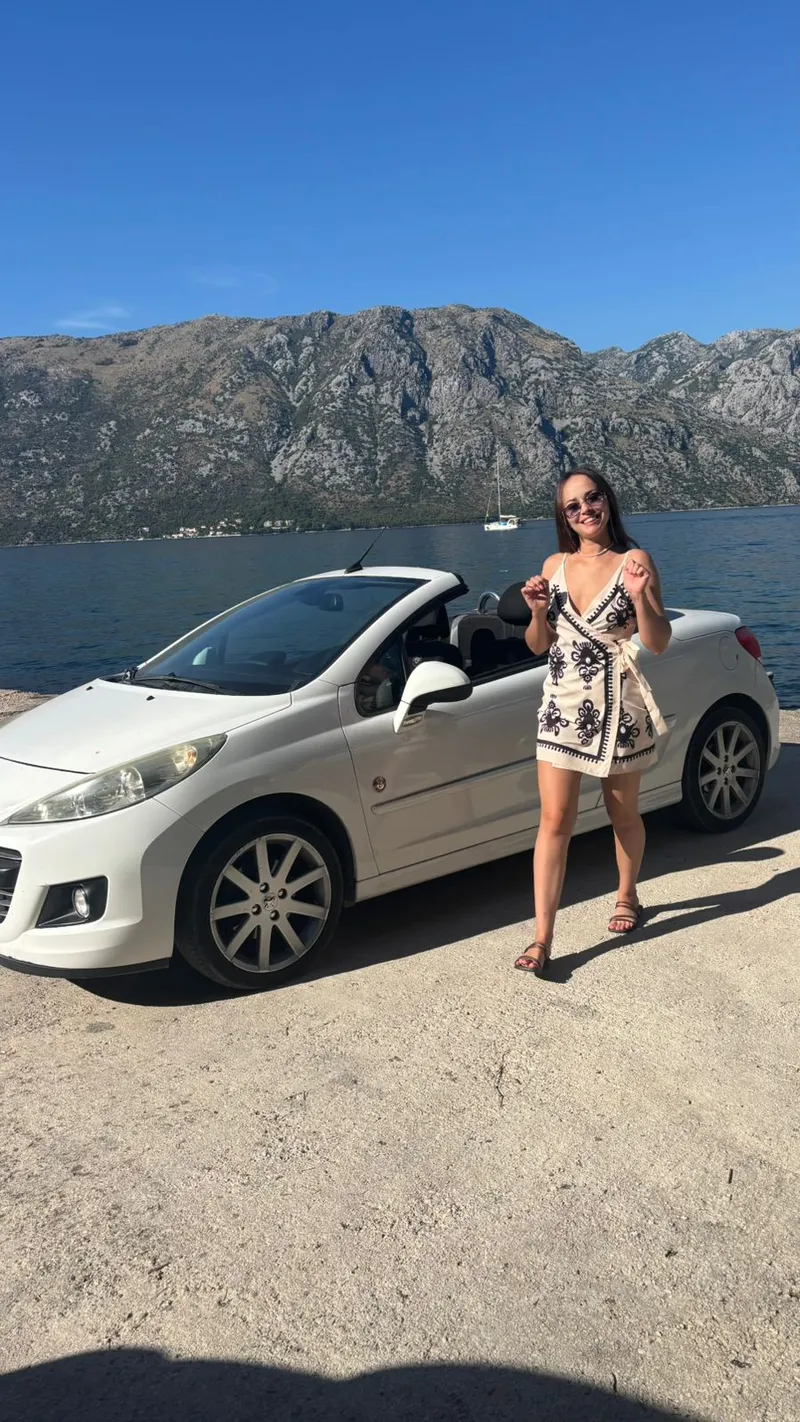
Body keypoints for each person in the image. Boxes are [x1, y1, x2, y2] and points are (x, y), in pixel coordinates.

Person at [514, 468, 672, 975]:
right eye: (573, 506)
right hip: (561, 708)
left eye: (593, 498)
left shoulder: (635, 559)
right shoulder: (554, 565)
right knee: (554, 821)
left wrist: (641, 596)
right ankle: (542, 938)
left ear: (608, 500)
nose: (585, 510)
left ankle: (628, 895)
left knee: (622, 814)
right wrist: (537, 612)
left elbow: (658, 641)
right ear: (564, 517)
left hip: (620, 709)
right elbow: (539, 646)